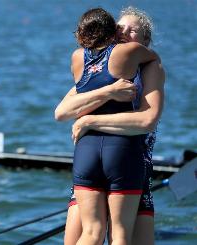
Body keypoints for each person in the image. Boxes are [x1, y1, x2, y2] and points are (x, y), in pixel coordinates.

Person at [57, 7, 164, 245]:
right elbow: (62, 111)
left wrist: (90, 120)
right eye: (119, 27)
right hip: (112, 157)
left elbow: (147, 120)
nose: (124, 32)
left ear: (145, 41)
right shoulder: (101, 68)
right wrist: (108, 91)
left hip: (134, 162)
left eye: (132, 30)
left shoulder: (150, 69)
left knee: (107, 235)